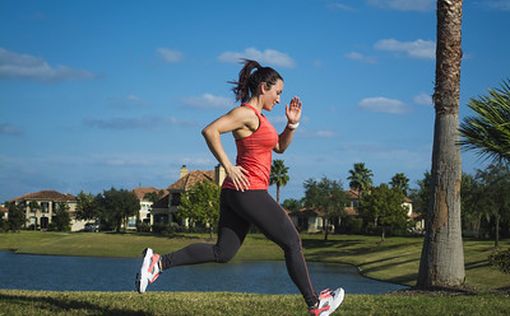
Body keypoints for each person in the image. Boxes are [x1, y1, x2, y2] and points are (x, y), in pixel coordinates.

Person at [135, 59, 345, 315]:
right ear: (263, 88)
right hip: (249, 190)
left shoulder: (259, 119)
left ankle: (157, 264)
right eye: (277, 93)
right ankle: (315, 304)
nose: (279, 99)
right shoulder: (245, 113)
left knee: (223, 252)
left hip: (237, 193)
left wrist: (291, 125)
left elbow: (279, 147)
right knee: (292, 241)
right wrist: (228, 166)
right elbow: (210, 131)